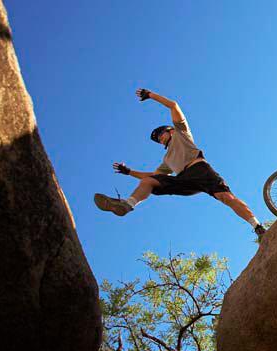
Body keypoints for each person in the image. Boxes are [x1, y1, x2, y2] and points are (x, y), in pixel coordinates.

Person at [94, 88, 267, 240]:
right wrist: (129, 171)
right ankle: (127, 204)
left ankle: (257, 226)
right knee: (149, 182)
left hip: (201, 171)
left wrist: (151, 95)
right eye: (157, 139)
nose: (160, 138)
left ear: (170, 129)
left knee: (226, 198)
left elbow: (173, 105)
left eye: (161, 133)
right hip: (184, 180)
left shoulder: (181, 133)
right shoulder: (167, 159)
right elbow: (152, 176)